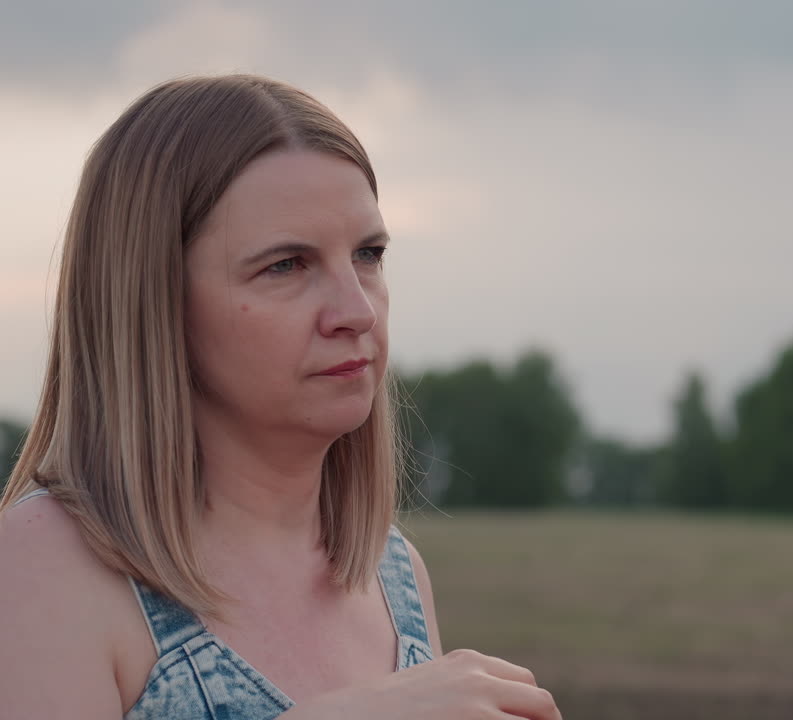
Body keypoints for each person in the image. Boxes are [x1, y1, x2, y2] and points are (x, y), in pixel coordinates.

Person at [0, 74, 561, 720]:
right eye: (286, 266)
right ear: (153, 303)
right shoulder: (44, 564)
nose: (355, 310)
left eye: (368, 255)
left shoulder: (394, 575)